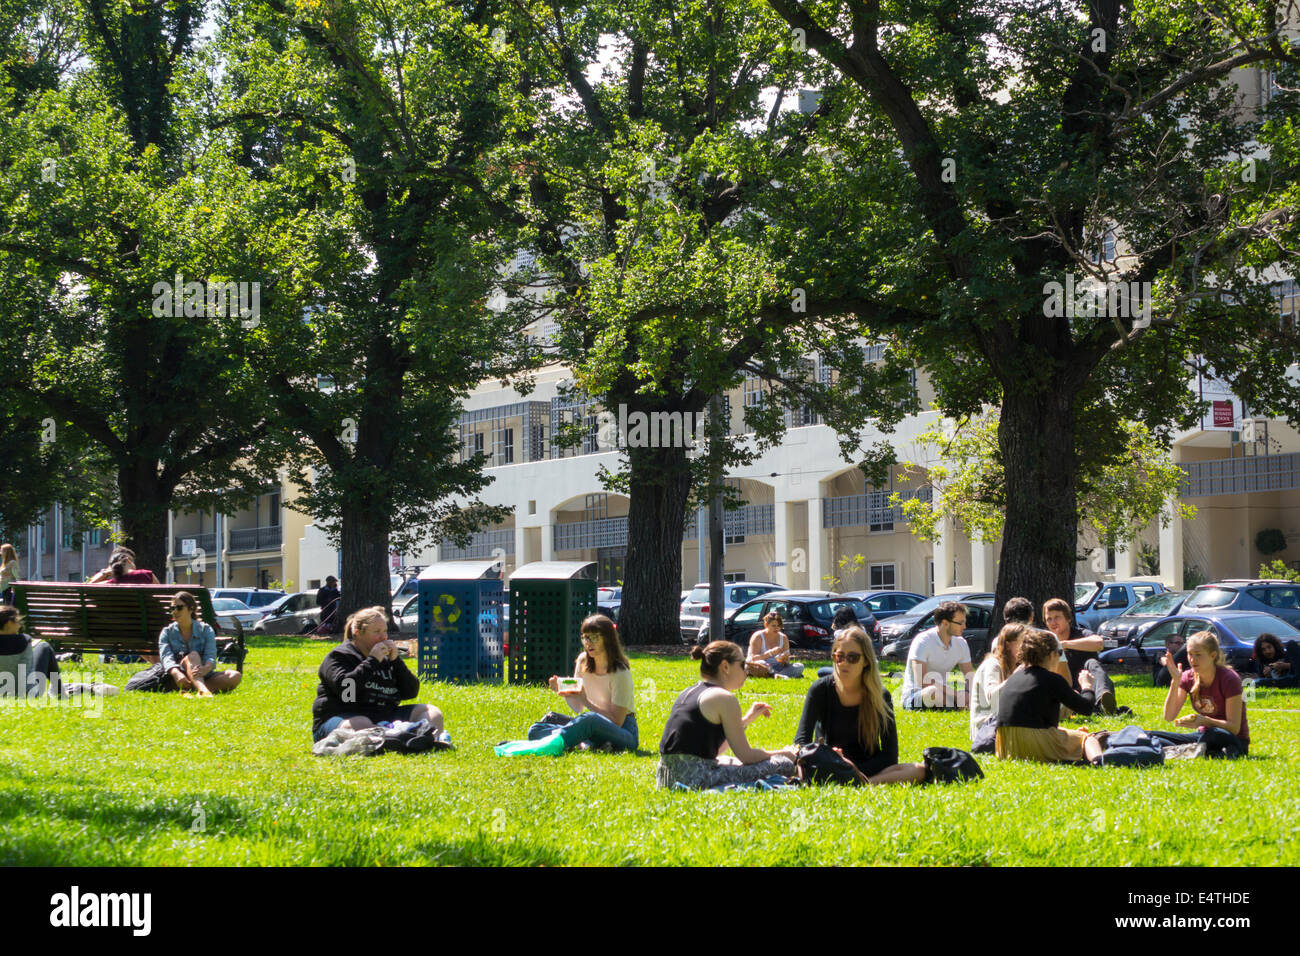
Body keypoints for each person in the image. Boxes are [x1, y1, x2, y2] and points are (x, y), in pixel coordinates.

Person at [656, 641, 799, 789]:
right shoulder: (724, 697)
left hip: (666, 777)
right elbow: (746, 756)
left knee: (729, 760)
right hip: (697, 777)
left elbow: (715, 750)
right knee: (784, 764)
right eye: (742, 665)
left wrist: (746, 720)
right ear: (725, 666)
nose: (746, 671)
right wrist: (785, 753)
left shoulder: (690, 691)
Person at [794, 627, 927, 785]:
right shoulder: (820, 689)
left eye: (853, 657)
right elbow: (801, 741)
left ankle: (864, 782)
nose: (844, 663)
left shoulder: (881, 696)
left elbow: (890, 756)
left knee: (919, 769)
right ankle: (861, 782)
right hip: (830, 764)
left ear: (865, 661)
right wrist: (828, 757)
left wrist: (855, 770)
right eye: (839, 656)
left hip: (869, 768)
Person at [496, 613, 638, 755]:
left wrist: (586, 701)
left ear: (608, 640)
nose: (588, 643)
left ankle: (542, 745)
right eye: (585, 637)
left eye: (594, 637)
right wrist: (563, 689)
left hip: (624, 732)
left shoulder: (620, 673)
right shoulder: (583, 661)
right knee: (536, 729)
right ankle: (585, 743)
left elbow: (616, 721)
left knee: (590, 719)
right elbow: (577, 707)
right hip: (593, 725)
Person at [312, 605, 446, 744]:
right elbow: (347, 693)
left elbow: (410, 692)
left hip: (384, 716)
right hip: (341, 718)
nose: (383, 637)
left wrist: (396, 661)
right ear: (358, 632)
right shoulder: (339, 656)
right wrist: (372, 661)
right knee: (359, 723)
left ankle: (423, 738)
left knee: (432, 712)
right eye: (376, 632)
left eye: (385, 631)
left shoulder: (387, 658)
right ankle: (404, 738)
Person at [996, 628, 1104, 763]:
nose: (1059, 657)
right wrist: (1087, 686)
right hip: (1034, 740)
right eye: (1059, 652)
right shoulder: (1053, 679)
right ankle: (1099, 761)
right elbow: (1086, 708)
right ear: (1051, 655)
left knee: (1066, 732)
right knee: (1088, 739)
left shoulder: (1014, 678)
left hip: (1007, 745)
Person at [1157, 630, 1249, 758]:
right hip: (1203, 736)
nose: (1192, 660)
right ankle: (1197, 750)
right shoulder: (1187, 677)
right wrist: (1175, 681)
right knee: (1154, 736)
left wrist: (1204, 721)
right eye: (1189, 654)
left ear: (1212, 655)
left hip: (1233, 739)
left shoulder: (1229, 678)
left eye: (1198, 655)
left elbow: (1234, 728)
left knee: (1214, 734)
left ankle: (1195, 749)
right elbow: (1169, 716)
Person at [0, 606, 116, 699]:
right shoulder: (24, 640)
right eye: (17, 621)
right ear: (8, 623)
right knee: (44, 647)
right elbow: (27, 670)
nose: (20, 624)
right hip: (28, 693)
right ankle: (60, 692)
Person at [1043, 598, 1120, 714]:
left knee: (1092, 662)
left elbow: (1098, 643)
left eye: (1057, 617)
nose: (1053, 622)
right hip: (1068, 691)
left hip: (1091, 684)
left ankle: (1104, 703)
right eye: (1049, 619)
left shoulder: (1082, 634)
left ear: (1068, 619)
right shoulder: (1046, 642)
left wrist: (1064, 645)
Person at [158, 591, 241, 696]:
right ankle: (204, 691)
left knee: (235, 676)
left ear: (191, 609)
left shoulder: (205, 630)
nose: (175, 611)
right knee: (193, 656)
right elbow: (166, 657)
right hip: (178, 676)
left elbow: (210, 655)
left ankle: (193, 688)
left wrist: (206, 668)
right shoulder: (167, 632)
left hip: (202, 674)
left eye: (179, 608)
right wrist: (176, 672)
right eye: (172, 608)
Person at [899, 600, 973, 710]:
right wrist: (956, 695)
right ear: (945, 623)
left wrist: (969, 694)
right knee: (932, 692)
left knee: (972, 694)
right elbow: (922, 681)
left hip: (944, 693)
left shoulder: (961, 643)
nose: (964, 626)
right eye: (960, 623)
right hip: (917, 695)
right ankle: (956, 706)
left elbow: (970, 677)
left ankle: (955, 705)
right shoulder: (923, 641)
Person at [970, 623, 1025, 742]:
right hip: (985, 728)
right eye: (1022, 642)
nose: (1026, 647)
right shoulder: (992, 665)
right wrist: (1016, 676)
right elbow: (993, 696)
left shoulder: (1014, 665)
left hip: (1001, 723)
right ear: (1008, 644)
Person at [746, 610, 804, 679]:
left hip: (776, 666)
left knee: (799, 666)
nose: (776, 628)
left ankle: (775, 675)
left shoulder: (783, 637)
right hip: (760, 665)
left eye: (779, 626)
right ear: (766, 625)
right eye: (773, 626)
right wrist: (771, 652)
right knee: (761, 663)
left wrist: (784, 660)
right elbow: (754, 658)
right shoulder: (758, 636)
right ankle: (781, 675)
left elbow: (787, 661)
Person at [88, 548, 160, 585]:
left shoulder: (108, 584)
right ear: (128, 561)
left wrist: (104, 573)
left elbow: (86, 587)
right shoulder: (145, 575)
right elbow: (160, 595)